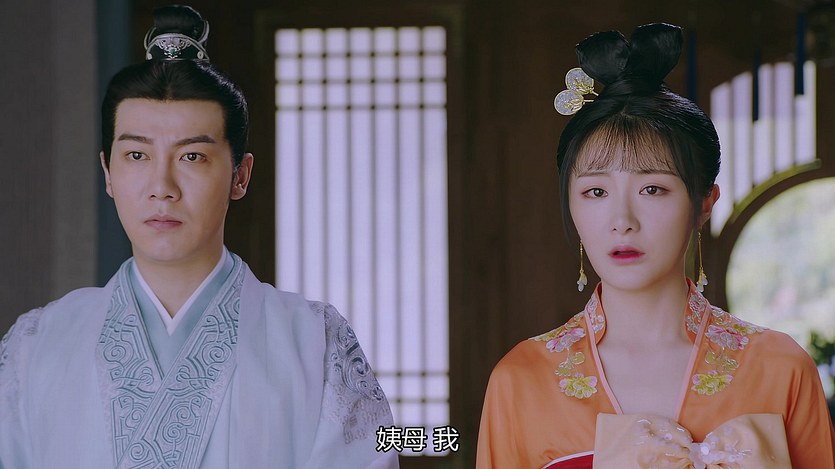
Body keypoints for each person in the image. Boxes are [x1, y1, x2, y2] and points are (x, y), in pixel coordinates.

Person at [0, 5, 397, 469]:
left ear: (240, 176)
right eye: (136, 156)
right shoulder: (36, 345)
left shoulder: (315, 343)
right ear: (107, 172)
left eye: (192, 157)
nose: (162, 186)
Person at [476, 23, 835, 468]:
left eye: (653, 189)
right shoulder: (522, 378)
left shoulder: (781, 368)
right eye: (596, 192)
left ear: (704, 204)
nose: (622, 221)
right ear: (570, 205)